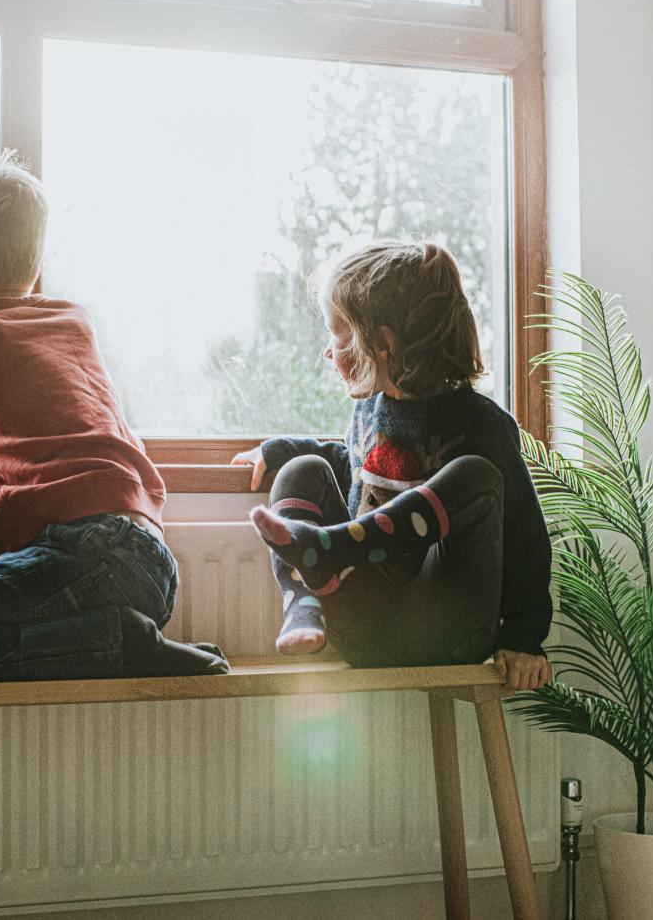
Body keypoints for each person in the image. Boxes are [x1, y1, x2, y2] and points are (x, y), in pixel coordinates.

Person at [0, 154, 228, 684]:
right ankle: (116, 638)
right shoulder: (74, 320)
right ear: (38, 259)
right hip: (150, 559)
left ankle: (116, 645)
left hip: (86, 553)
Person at [232, 240, 552, 690]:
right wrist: (280, 450)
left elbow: (525, 538)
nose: (329, 351)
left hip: (446, 630)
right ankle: (304, 602)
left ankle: (333, 550)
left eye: (338, 334)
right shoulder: (369, 413)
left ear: (383, 344)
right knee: (300, 469)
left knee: (475, 477)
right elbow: (355, 466)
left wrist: (524, 637)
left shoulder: (482, 424)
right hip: (360, 627)